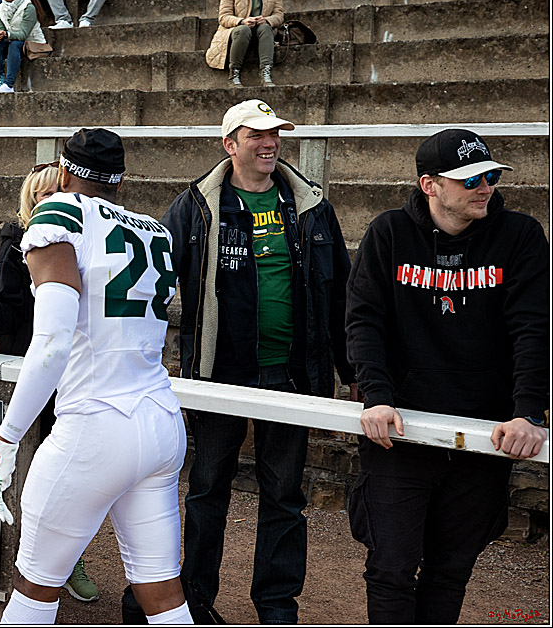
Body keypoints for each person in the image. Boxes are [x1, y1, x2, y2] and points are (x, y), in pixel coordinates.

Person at [161, 100, 356, 624]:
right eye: (257, 135)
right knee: (206, 491)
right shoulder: (196, 205)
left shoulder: (310, 204)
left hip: (290, 376)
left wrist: (351, 371)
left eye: (275, 135)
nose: (270, 143)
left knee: (285, 497)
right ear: (230, 144)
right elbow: (155, 283)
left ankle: (276, 608)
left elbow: (339, 290)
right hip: (220, 375)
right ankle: (195, 600)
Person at [0, 128, 190, 624]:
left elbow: (53, 342)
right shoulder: (153, 229)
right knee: (163, 594)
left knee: (33, 590)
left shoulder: (58, 214)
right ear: (121, 178)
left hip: (96, 421)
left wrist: (8, 437)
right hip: (160, 418)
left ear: (63, 169)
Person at [345, 128, 549, 624]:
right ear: (429, 184)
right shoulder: (388, 232)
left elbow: (534, 326)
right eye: (471, 179)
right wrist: (375, 396)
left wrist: (528, 412)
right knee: (390, 568)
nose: (485, 187)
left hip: (483, 435)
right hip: (401, 432)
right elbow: (363, 319)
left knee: (450, 569)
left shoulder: (520, 235)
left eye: (491, 176)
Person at [0, 161, 100, 602]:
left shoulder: (98, 240)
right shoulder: (16, 243)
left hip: (79, 373)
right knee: (25, 469)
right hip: (29, 372)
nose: (50, 199)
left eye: (58, 191)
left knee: (74, 471)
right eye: (41, 194)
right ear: (30, 200)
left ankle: (70, 558)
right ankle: (27, 564)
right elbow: (10, 312)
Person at [204, 0, 284, 87]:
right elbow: (223, 17)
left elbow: (279, 15)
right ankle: (234, 74)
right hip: (238, 31)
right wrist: (242, 21)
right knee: (243, 30)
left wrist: (267, 19)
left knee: (265, 27)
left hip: (262, 30)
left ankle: (266, 73)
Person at [0, 0, 46, 94]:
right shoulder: (0, 9)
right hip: (12, 41)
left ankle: (9, 84)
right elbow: (0, 28)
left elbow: (23, 34)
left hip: (33, 43)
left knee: (15, 43)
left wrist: (6, 34)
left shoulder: (28, 7)